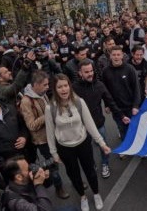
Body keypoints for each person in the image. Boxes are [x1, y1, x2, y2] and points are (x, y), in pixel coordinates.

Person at [46, 74, 112, 211]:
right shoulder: (50, 108)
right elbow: (50, 132)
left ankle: (96, 194)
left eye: (66, 85)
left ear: (70, 86)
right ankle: (82, 197)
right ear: (55, 89)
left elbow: (90, 124)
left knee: (90, 172)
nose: (63, 89)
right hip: (65, 148)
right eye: (59, 87)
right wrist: (54, 153)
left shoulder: (79, 102)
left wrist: (102, 143)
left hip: (83, 143)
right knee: (73, 175)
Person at [73, 60, 129, 179]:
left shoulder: (99, 85)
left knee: (103, 145)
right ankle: (92, 164)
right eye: (86, 72)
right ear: (80, 73)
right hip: (82, 127)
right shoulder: (74, 88)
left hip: (98, 123)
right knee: (86, 149)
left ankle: (105, 164)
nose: (90, 74)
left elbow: (111, 102)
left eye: (91, 71)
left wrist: (122, 116)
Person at [19, 70, 69, 199]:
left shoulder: (42, 94)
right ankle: (59, 188)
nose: (48, 87)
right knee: (54, 166)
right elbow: (31, 125)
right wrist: (48, 112)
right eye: (45, 85)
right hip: (43, 141)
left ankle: (75, 180)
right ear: (36, 84)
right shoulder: (26, 101)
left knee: (66, 160)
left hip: (54, 135)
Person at [101, 46, 140, 142]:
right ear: (110, 56)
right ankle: (125, 149)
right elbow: (105, 91)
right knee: (121, 129)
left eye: (118, 54)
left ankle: (136, 147)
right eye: (114, 55)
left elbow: (136, 88)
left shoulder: (130, 69)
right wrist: (107, 105)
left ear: (122, 55)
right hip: (116, 108)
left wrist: (135, 105)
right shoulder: (105, 71)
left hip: (130, 107)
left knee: (134, 129)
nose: (116, 57)